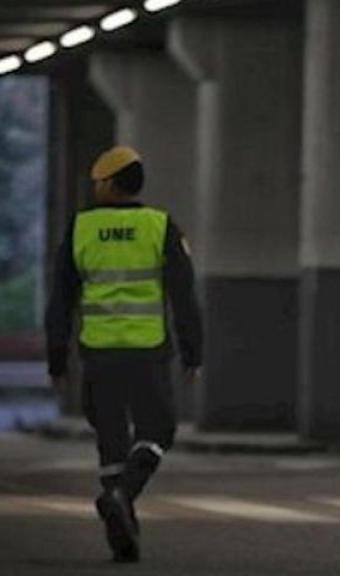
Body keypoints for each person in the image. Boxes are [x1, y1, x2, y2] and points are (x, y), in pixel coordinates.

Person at [45, 145, 203, 563]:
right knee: (158, 430)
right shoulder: (160, 227)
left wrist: (56, 359)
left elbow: (60, 301)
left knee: (111, 440)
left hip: (98, 354)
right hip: (147, 352)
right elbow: (184, 296)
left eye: (99, 182)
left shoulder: (80, 229)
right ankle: (123, 502)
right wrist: (193, 352)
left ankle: (120, 518)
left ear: (112, 184)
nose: (96, 188)